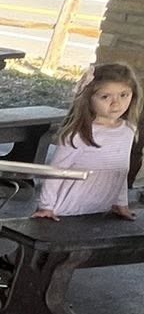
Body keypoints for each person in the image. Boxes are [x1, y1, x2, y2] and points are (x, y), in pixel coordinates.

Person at [34, 63, 140, 221]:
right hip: (67, 209)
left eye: (124, 95)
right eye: (105, 97)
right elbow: (57, 171)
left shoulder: (128, 130)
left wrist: (121, 203)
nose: (116, 103)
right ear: (88, 99)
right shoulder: (78, 133)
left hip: (101, 209)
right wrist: (46, 206)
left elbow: (121, 170)